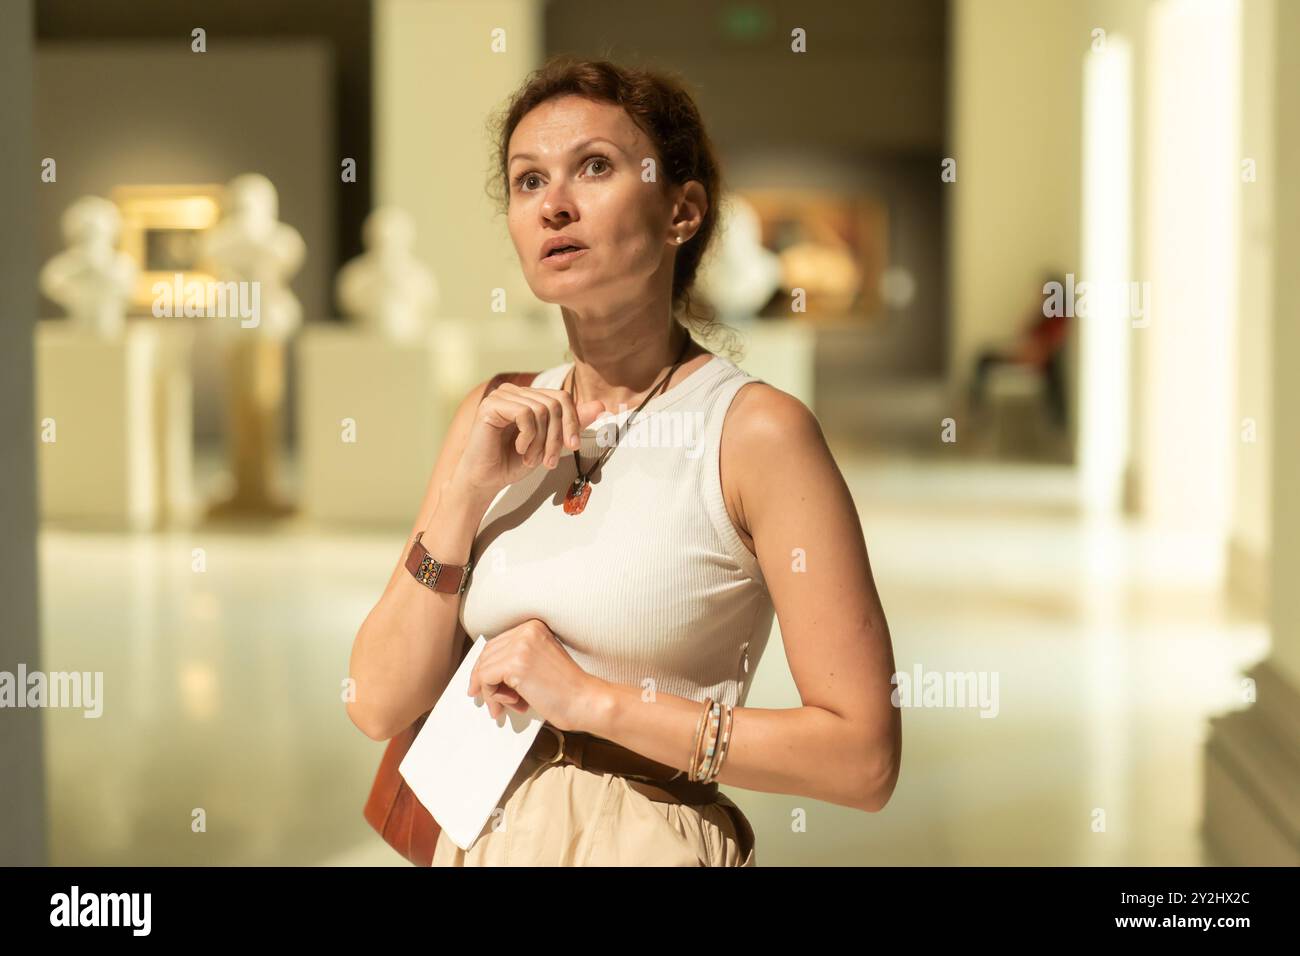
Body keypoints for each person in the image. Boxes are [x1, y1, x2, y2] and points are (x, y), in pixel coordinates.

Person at [346, 55, 901, 866]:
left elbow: (863, 760)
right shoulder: (491, 412)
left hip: (638, 840)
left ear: (682, 212)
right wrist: (464, 496)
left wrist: (592, 703)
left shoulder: (755, 433)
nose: (554, 206)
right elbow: (374, 701)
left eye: (594, 168)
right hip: (475, 841)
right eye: (529, 181)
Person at [968, 272, 1071, 428]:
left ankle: (977, 413)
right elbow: (1023, 332)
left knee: (985, 360)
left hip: (1031, 362)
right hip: (1024, 355)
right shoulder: (1043, 315)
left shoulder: (1058, 319)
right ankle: (976, 408)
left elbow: (1046, 348)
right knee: (984, 355)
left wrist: (1024, 354)